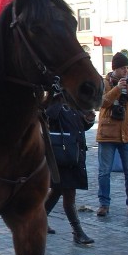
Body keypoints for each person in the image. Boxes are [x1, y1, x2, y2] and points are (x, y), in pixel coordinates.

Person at [96, 51, 128, 218]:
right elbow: (102, 103)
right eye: (123, 68)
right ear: (115, 69)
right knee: (104, 172)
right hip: (108, 133)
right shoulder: (105, 83)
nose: (126, 71)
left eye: (127, 67)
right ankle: (104, 204)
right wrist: (117, 89)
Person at [44, 97, 96, 245]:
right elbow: (50, 116)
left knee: (58, 190)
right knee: (68, 193)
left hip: (74, 154)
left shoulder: (75, 102)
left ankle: (40, 219)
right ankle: (78, 232)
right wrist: (59, 99)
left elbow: (79, 127)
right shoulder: (55, 102)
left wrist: (89, 120)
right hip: (62, 155)